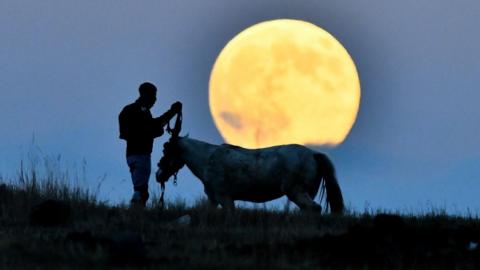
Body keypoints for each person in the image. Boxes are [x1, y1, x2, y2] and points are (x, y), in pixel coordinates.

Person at [118, 82, 182, 207]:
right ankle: (135, 215)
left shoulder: (129, 110)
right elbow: (153, 127)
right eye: (153, 96)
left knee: (140, 187)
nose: (155, 100)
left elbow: (151, 127)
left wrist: (170, 114)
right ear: (147, 95)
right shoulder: (140, 112)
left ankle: (136, 215)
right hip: (140, 155)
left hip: (132, 155)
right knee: (141, 190)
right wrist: (172, 112)